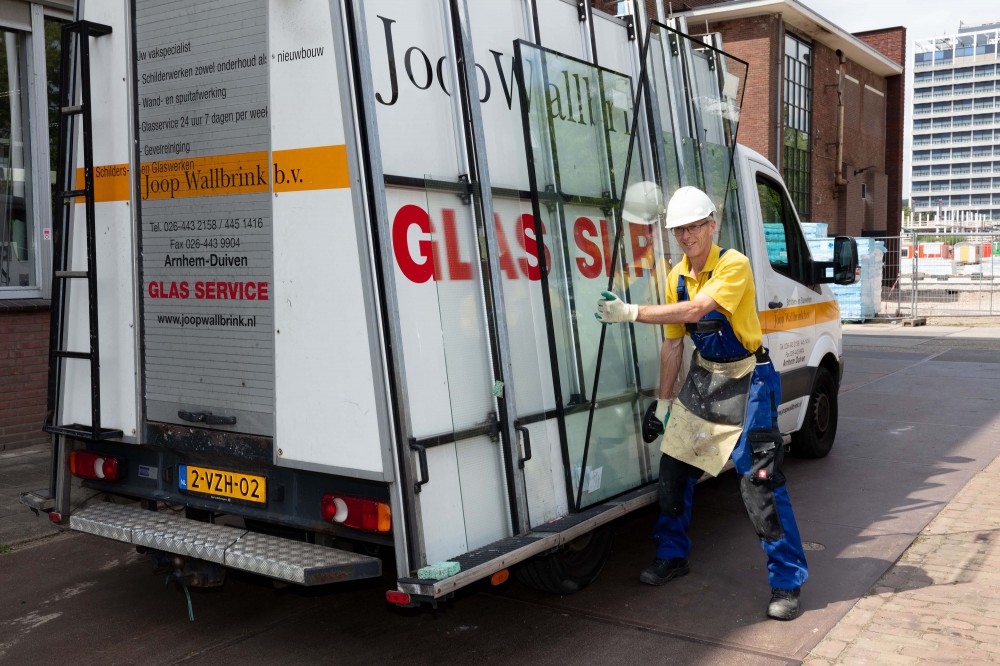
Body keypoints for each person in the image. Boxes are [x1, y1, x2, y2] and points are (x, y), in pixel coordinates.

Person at [595, 185, 808, 621]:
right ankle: (672, 556)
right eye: (679, 230)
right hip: (704, 376)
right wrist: (662, 404)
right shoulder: (675, 277)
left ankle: (787, 581)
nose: (688, 236)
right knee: (673, 469)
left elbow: (696, 312)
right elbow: (673, 348)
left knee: (759, 481)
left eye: (695, 226)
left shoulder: (734, 265)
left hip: (750, 377)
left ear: (713, 225)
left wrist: (632, 313)